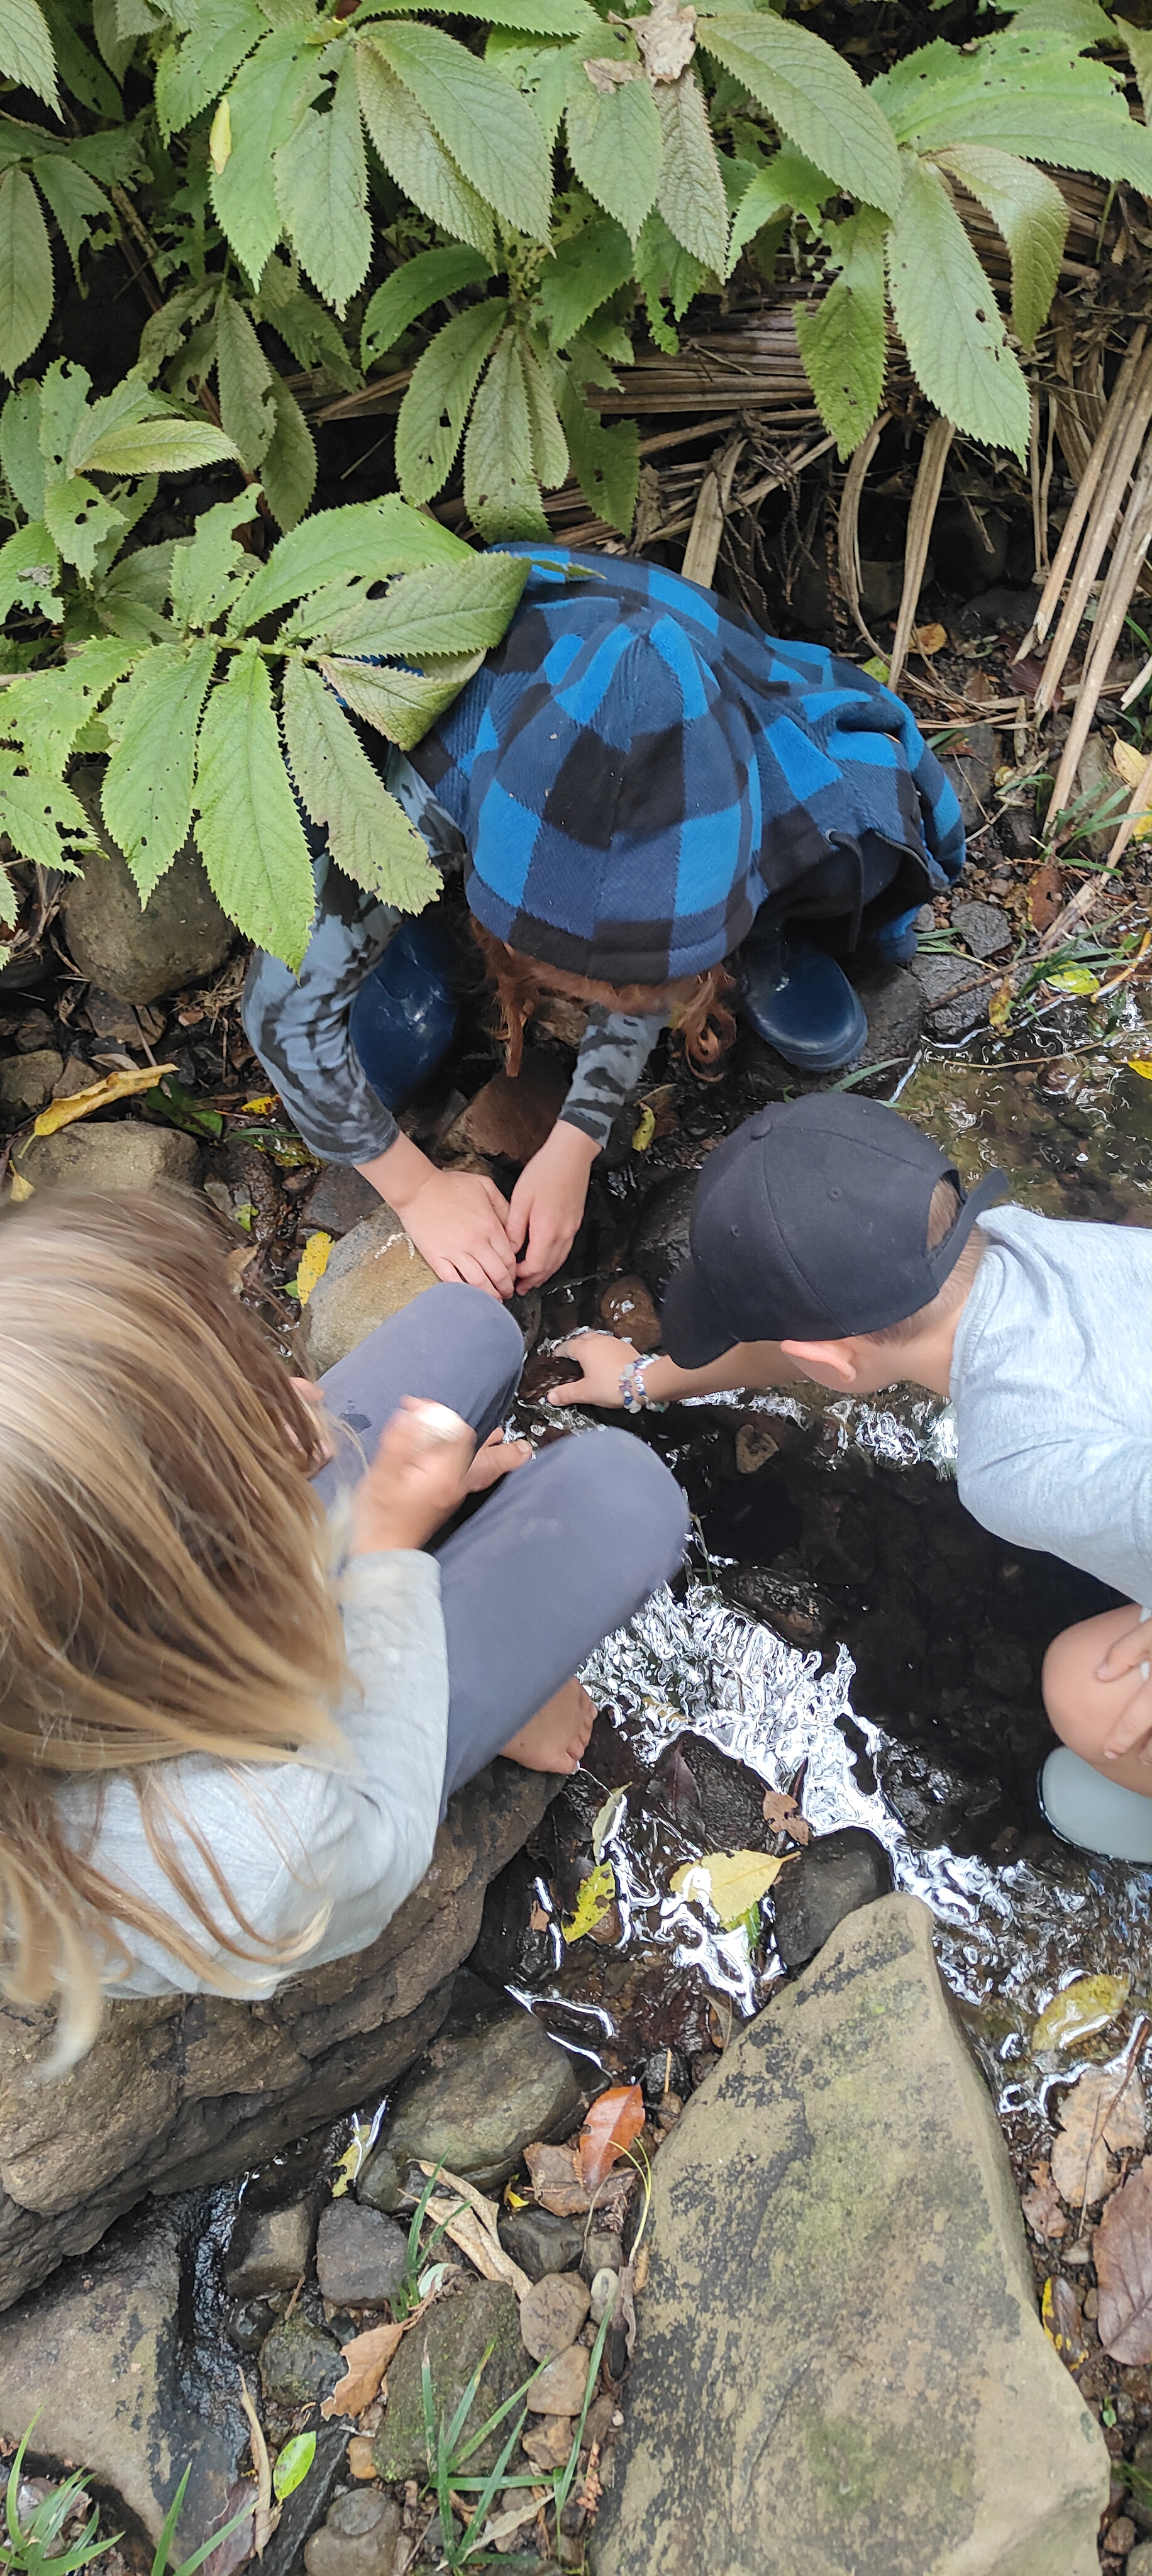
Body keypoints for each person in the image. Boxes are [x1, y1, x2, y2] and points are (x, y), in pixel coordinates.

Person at [0, 1191, 687, 2063]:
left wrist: (289, 1483)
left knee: (472, 1326)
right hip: (316, 1768)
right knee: (623, 1497)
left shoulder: (52, 1602)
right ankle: (479, 1685)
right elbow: (376, 1841)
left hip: (144, 1612)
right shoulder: (245, 1852)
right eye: (239, 1428)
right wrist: (388, 1553)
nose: (302, 1395)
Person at [244, 546, 965, 1299]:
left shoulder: (736, 776)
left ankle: (763, 930)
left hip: (702, 696)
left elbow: (643, 936)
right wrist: (415, 1191)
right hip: (446, 725)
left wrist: (577, 1138)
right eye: (589, 990)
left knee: (860, 858)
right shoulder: (419, 798)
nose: (605, 1006)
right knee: (392, 1048)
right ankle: (417, 932)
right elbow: (279, 1013)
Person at [548, 1091, 1152, 1865]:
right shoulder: (1022, 1241)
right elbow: (822, 1345)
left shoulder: (1012, 1463)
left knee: (1084, 1690)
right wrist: (642, 1380)